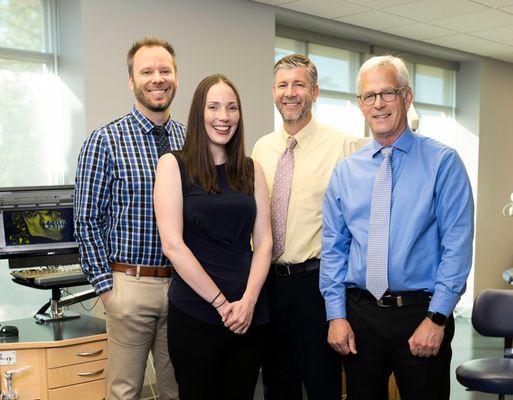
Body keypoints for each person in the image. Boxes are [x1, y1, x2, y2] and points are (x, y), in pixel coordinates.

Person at [321, 55, 474, 400]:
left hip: (420, 315)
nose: (378, 104)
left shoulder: (443, 163)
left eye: (387, 93)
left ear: (407, 97)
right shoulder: (346, 171)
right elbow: (334, 248)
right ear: (360, 105)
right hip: (359, 316)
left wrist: (437, 319)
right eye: (368, 96)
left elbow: (457, 247)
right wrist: (336, 315)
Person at [74, 37, 185, 400]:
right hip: (129, 286)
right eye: (147, 71)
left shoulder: (190, 140)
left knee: (178, 390)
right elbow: (86, 221)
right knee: (124, 393)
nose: (157, 78)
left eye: (164, 70)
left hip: (184, 289)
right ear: (131, 80)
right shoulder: (104, 141)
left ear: (176, 77)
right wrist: (108, 291)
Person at [154, 74, 272, 400]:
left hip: (249, 316)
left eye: (232, 108)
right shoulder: (172, 165)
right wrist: (222, 305)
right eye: (214, 107)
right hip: (197, 313)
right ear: (198, 113)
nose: (224, 116)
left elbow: (264, 243)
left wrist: (247, 303)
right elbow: (173, 245)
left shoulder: (252, 170)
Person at [251, 54, 359, 400]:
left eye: (299, 84)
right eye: (283, 85)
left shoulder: (344, 146)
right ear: (273, 92)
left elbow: (356, 225)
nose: (290, 92)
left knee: (322, 383)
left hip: (317, 284)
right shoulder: (262, 148)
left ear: (314, 91)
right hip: (269, 285)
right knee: (277, 385)